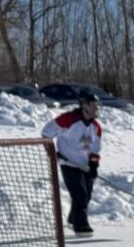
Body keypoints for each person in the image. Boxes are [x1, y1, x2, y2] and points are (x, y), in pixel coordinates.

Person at [42, 91, 104, 237]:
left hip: (85, 165)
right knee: (80, 195)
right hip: (68, 163)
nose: (96, 108)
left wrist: (94, 164)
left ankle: (73, 219)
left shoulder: (96, 127)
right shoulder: (69, 119)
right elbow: (46, 133)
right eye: (93, 105)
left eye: (97, 105)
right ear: (84, 106)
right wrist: (52, 152)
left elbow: (94, 148)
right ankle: (81, 226)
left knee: (86, 196)